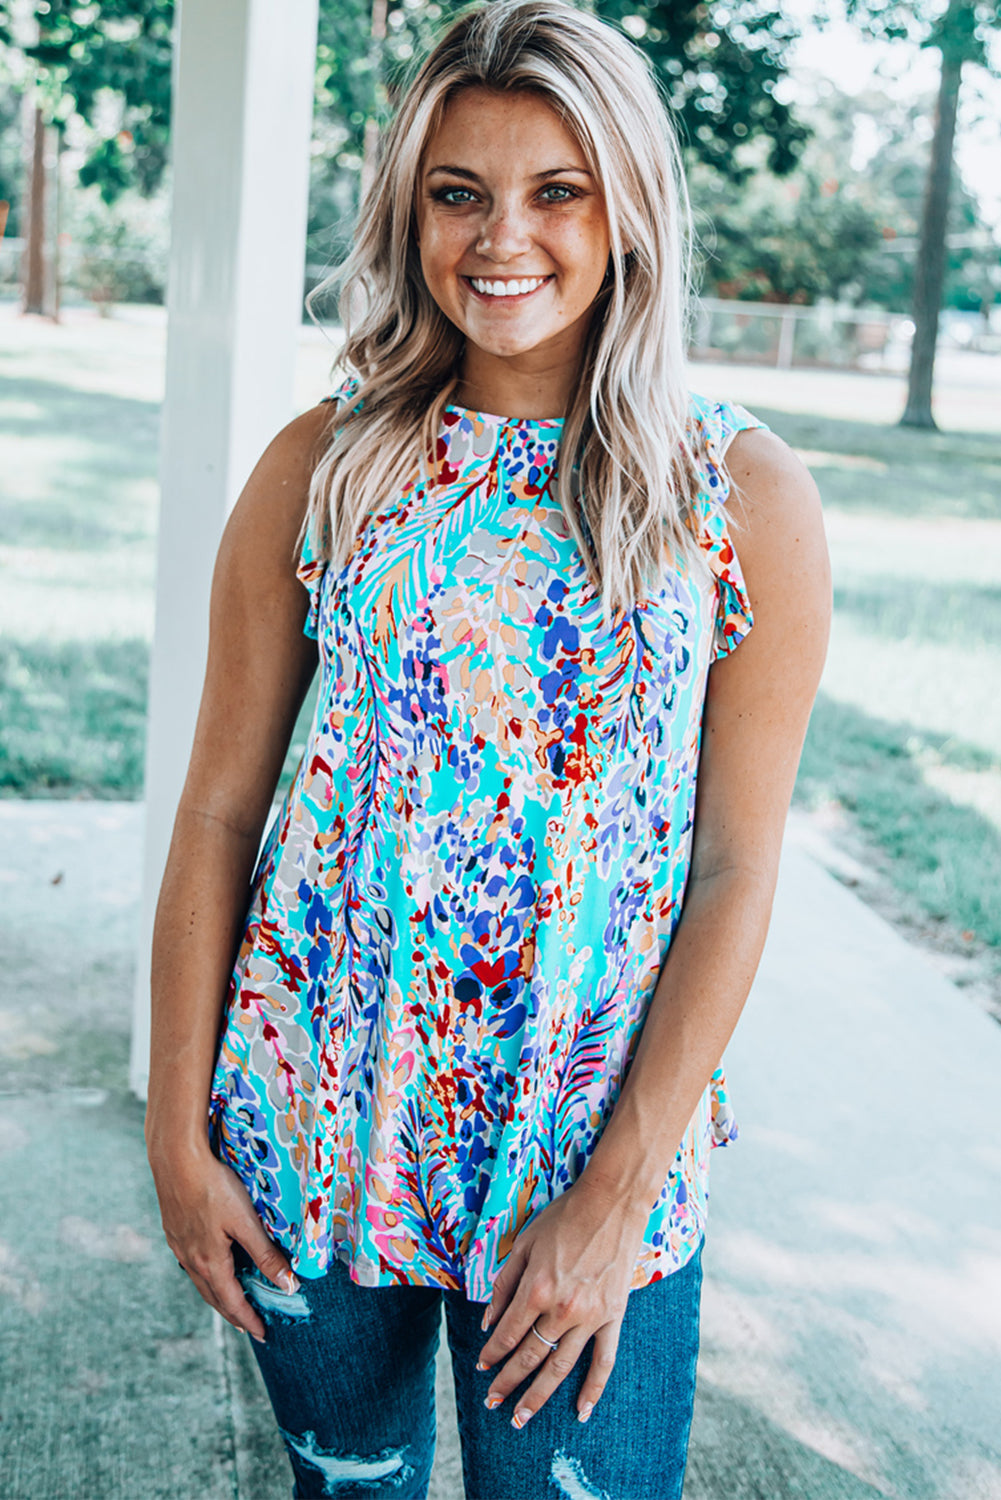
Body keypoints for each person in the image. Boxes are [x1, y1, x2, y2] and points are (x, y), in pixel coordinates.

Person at [145, 2, 831, 1496]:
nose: (499, 237)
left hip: (579, 1170)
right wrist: (175, 1134)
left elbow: (732, 866)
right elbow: (215, 815)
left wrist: (617, 1193)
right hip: (314, 1141)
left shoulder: (737, 495)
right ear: (410, 213)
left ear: (628, 211)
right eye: (458, 193)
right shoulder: (325, 464)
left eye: (555, 191)